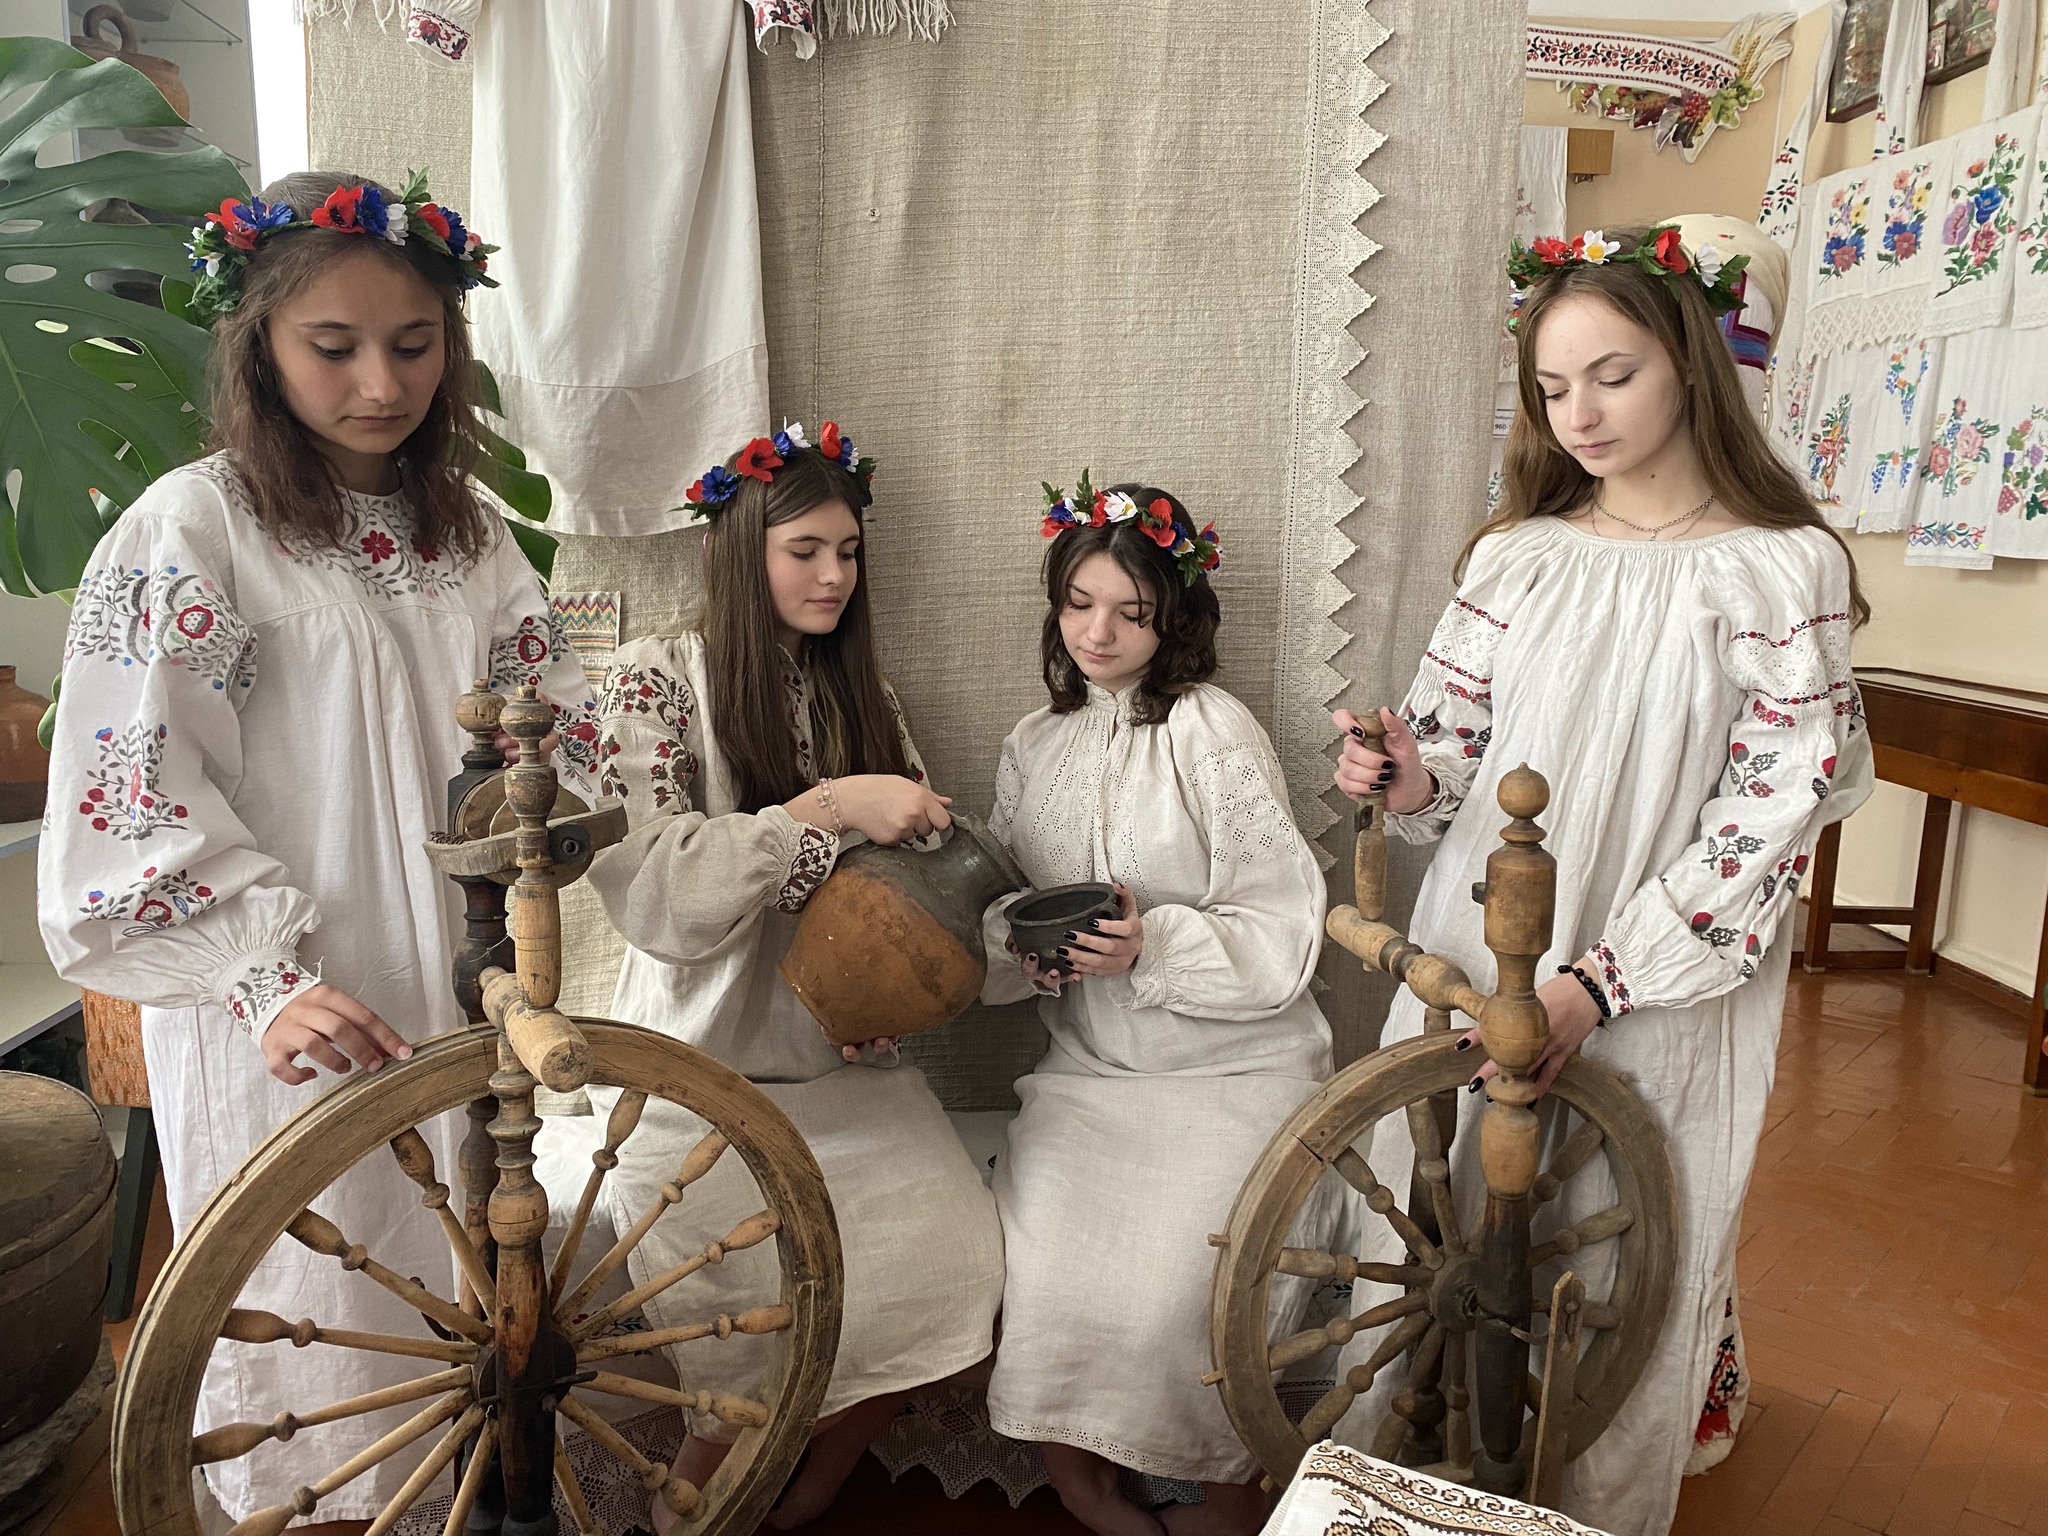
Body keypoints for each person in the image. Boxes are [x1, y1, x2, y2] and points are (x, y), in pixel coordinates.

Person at [37, 171, 595, 1532]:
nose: (380, 384)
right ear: (259, 344)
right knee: (309, 1306)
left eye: (414, 345)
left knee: (459, 1293)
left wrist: (556, 815)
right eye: (332, 347)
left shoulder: (467, 532)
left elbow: (552, 719)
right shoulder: (194, 528)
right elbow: (133, 783)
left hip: (454, 973)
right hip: (290, 1006)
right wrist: (259, 977)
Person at [1329, 225, 1873, 1535]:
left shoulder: (1777, 569)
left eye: (1611, 375)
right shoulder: (1518, 554)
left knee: (1615, 1235)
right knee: (1444, 1216)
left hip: (1656, 969)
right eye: (1552, 387)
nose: (1578, 414)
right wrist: (1399, 773)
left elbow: (1772, 813)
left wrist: (1598, 981)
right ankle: (1409, 1487)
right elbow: (1450, 753)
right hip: (1484, 932)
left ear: (1688, 361)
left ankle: (1570, 1507)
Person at [582, 423, 1005, 1531]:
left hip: (843, 1076)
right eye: (804, 550)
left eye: (848, 552)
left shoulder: (861, 695)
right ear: (736, 553)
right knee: (745, 1329)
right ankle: (705, 1508)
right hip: (695, 1079)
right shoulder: (655, 682)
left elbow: (911, 889)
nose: (833, 576)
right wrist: (828, 807)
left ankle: (799, 1497)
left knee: (954, 1268)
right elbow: (655, 890)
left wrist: (889, 993)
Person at [979, 482, 1337, 1536]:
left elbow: (1283, 923)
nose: (1098, 633)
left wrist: (1153, 946)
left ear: (1172, 619)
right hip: (1089, 1076)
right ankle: (1087, 1492)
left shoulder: (1209, 728)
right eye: (1078, 604)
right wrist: (1027, 958)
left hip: (1232, 1070)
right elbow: (1002, 904)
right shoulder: (1033, 743)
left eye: (1130, 613)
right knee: (1036, 1275)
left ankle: (1227, 1499)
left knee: (1185, 1291)